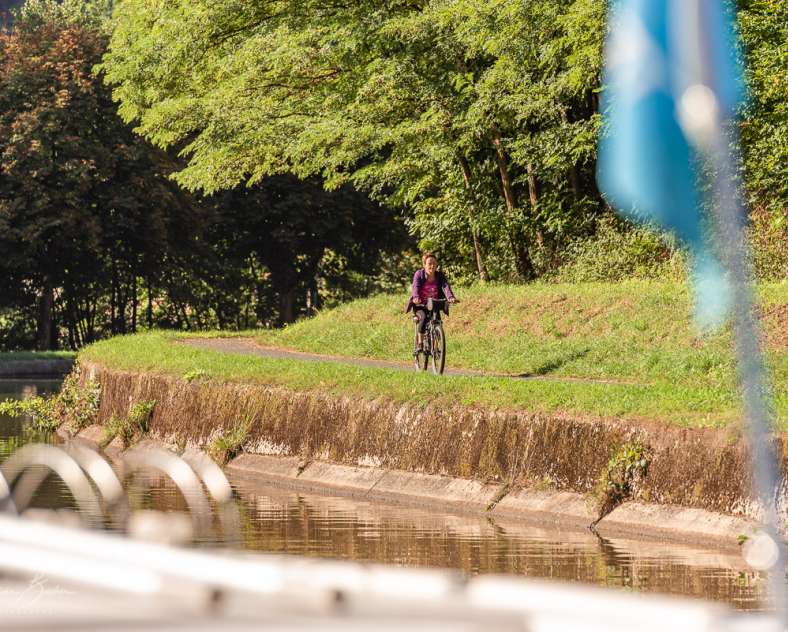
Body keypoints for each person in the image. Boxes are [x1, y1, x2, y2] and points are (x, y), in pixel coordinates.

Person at [405, 253, 458, 351]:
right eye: (429, 263)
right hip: (420, 304)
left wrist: (450, 297)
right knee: (424, 318)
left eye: (434, 263)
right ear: (424, 265)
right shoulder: (419, 274)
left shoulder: (440, 275)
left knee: (438, 322)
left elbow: (445, 286)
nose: (432, 266)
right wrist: (416, 297)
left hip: (434, 304)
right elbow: (415, 287)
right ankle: (420, 343)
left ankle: (436, 346)